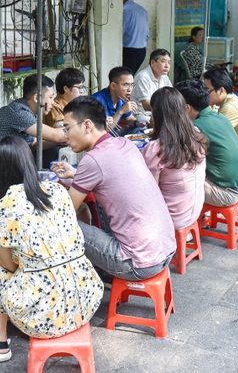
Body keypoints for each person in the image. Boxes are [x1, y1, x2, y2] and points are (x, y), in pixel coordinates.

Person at [0, 135, 103, 363]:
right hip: (86, 301)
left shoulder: (2, 209)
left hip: (45, 319)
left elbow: (9, 266)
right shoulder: (58, 191)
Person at [51, 97, 175, 281]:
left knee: (59, 226)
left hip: (137, 263)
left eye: (68, 128)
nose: (65, 135)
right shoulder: (124, 144)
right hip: (165, 249)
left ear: (87, 125)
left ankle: (74, 284)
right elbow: (109, 178)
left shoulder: (92, 160)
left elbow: (65, 212)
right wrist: (76, 174)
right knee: (98, 204)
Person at [176, 79, 238, 207]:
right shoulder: (220, 117)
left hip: (226, 193)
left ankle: (182, 219)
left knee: (173, 179)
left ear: (187, 108)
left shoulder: (197, 127)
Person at [143, 87, 208, 230]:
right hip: (194, 212)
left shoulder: (157, 148)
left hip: (171, 218)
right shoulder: (195, 134)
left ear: (157, 113)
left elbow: (149, 194)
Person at [0, 74, 67, 160]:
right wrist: (76, 128)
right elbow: (57, 135)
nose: (52, 102)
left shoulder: (27, 109)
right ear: (36, 98)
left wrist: (57, 142)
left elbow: (33, 144)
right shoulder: (19, 112)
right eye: (50, 97)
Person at [91, 66, 141, 135]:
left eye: (132, 85)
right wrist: (120, 111)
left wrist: (137, 123)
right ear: (113, 86)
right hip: (102, 137)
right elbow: (105, 129)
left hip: (114, 134)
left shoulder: (123, 98)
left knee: (138, 129)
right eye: (126, 85)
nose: (129, 90)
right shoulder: (96, 101)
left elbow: (129, 119)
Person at [122, 0, 149, 74]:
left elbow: (119, 32)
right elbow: (147, 34)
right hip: (141, 50)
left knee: (124, 78)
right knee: (129, 77)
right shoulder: (142, 9)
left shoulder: (125, 10)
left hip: (129, 51)